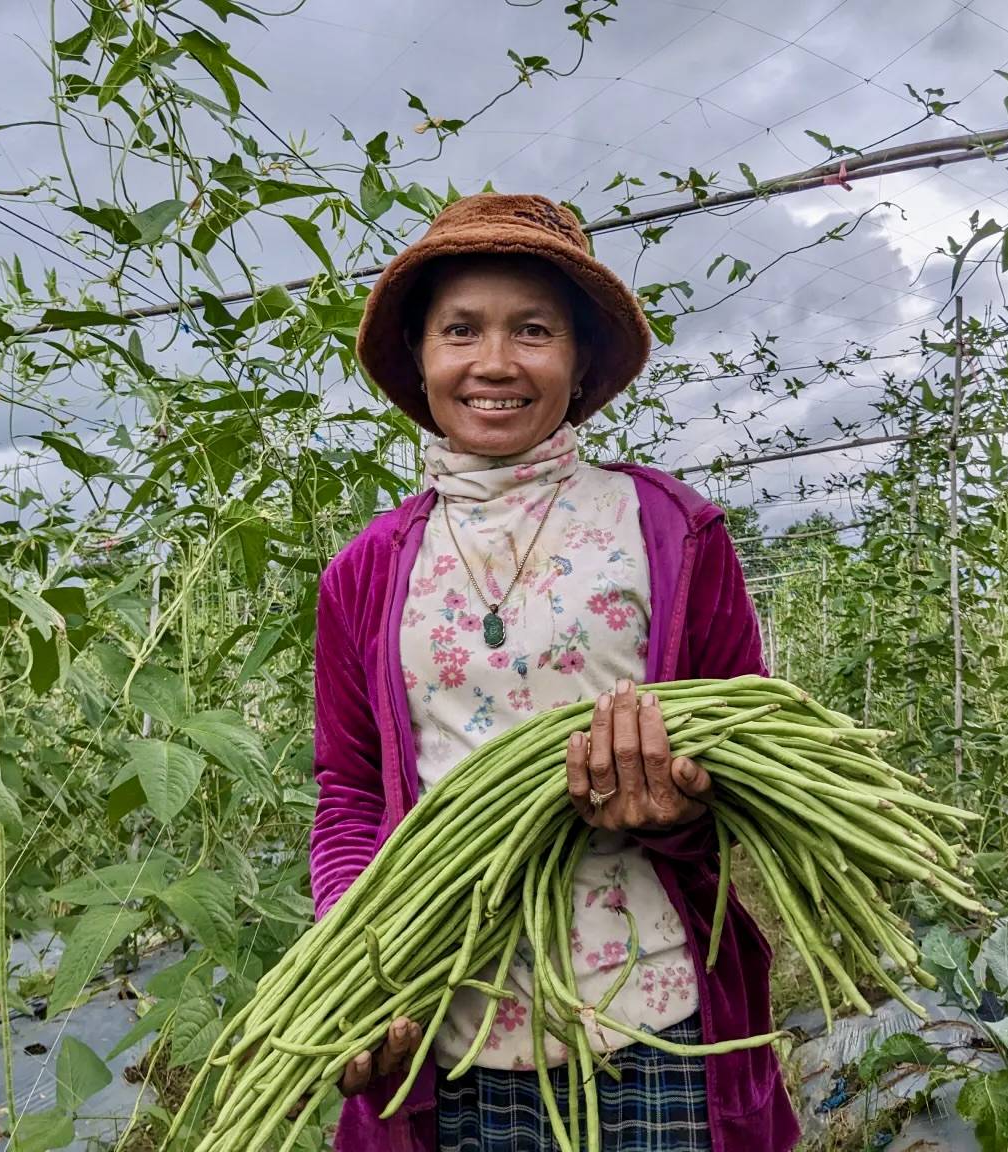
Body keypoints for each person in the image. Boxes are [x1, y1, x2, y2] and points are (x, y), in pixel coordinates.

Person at [311, 193, 798, 1152]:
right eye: (462, 330)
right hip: (445, 1029)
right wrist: (356, 964)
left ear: (577, 364)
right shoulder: (366, 570)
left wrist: (685, 804)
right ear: (421, 358)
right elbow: (351, 793)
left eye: (532, 330)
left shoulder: (667, 531)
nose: (495, 362)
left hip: (654, 1028)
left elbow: (752, 761)